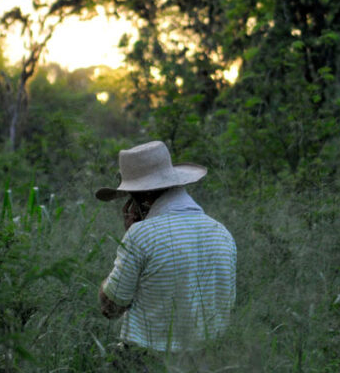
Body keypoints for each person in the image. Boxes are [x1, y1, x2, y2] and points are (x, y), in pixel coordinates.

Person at [95, 141, 236, 353]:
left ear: (144, 197)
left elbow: (111, 308)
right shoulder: (222, 233)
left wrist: (131, 236)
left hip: (150, 365)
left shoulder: (141, 235)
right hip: (210, 364)